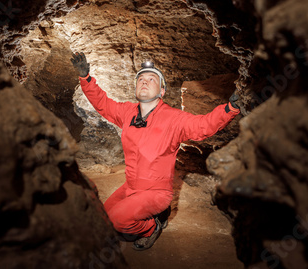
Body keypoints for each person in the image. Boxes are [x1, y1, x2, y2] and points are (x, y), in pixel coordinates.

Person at [71, 52, 240, 251]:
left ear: (162, 91)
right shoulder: (127, 112)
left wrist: (230, 108)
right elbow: (103, 104)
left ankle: (153, 226)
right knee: (102, 219)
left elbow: (204, 125)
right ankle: (145, 216)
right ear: (135, 88)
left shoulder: (174, 118)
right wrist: (85, 78)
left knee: (118, 222)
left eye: (152, 79)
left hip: (156, 192)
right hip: (131, 186)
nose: (144, 81)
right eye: (141, 79)